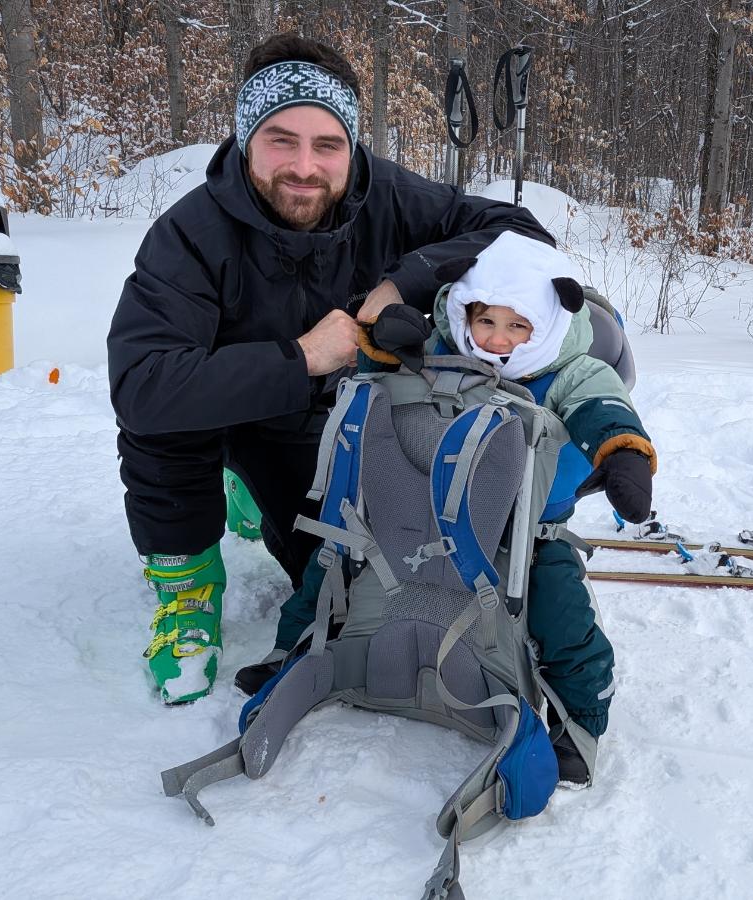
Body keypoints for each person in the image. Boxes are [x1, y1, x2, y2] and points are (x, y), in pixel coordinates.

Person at [107, 33, 552, 704]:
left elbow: (520, 234)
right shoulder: (190, 235)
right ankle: (187, 587)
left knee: (340, 594)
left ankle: (252, 491)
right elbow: (143, 387)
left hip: (321, 425)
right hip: (223, 413)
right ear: (246, 140)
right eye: (281, 140)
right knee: (162, 426)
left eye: (327, 144)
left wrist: (403, 281)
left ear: (350, 146)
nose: (305, 166)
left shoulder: (385, 195)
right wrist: (304, 356)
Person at [261, 230, 655, 782]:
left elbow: (601, 402)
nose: (496, 339)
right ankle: (290, 657)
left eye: (518, 326)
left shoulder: (570, 367)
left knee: (558, 608)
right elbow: (381, 376)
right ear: (464, 311)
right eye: (486, 320)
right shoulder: (446, 346)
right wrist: (385, 344)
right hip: (420, 505)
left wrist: (623, 450)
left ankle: (579, 719)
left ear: (546, 325)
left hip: (528, 525)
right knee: (332, 564)